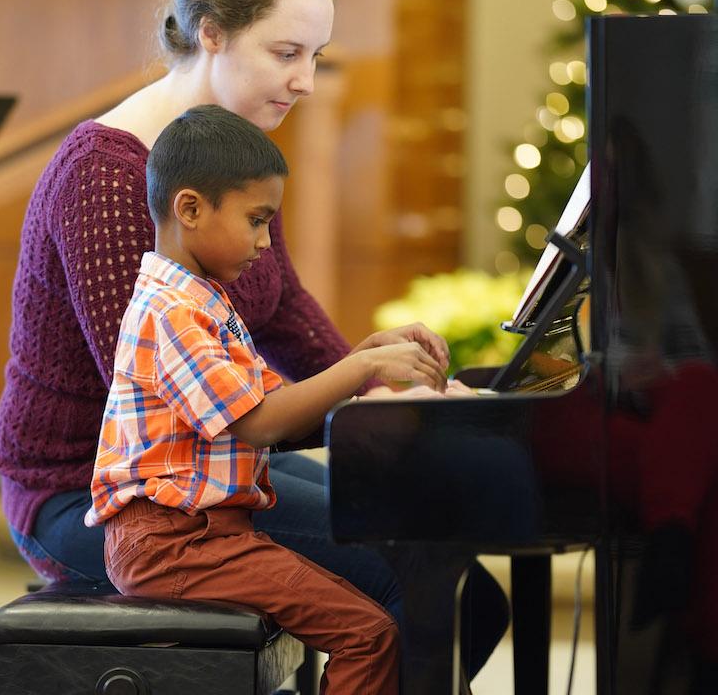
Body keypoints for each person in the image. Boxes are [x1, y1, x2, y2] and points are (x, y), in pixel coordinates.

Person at [0, 0, 508, 682]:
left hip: (202, 465)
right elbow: (181, 414)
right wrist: (359, 400)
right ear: (210, 33)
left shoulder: (228, 157)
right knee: (419, 580)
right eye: (286, 52)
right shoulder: (104, 175)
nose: (306, 79)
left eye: (316, 53)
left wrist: (395, 402)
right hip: (93, 497)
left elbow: (291, 318)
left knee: (458, 578)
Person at [87, 104, 459, 693]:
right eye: (256, 220)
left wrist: (366, 350)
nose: (265, 242)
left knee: (368, 616)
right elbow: (259, 424)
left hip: (209, 536)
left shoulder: (203, 302)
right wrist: (363, 365)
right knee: (367, 633)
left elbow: (281, 408)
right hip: (171, 544)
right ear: (189, 209)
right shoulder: (173, 313)